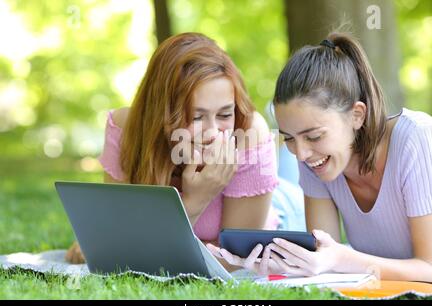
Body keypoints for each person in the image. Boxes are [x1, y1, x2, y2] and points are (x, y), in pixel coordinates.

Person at [208, 32, 432, 286]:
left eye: (313, 136)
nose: (300, 154)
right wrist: (286, 264)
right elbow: (324, 258)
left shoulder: (418, 139)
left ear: (357, 115)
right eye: (289, 138)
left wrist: (342, 258)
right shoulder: (319, 160)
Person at [65, 32, 281, 268]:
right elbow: (121, 238)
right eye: (196, 116)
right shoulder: (127, 128)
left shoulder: (249, 132)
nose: (211, 133)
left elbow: (236, 259)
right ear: (162, 114)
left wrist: (197, 201)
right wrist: (194, 201)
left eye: (224, 114)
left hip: (277, 209)